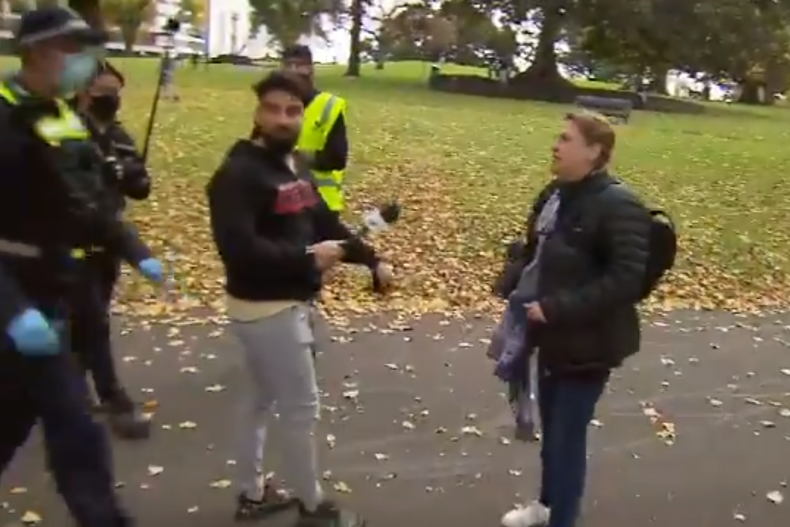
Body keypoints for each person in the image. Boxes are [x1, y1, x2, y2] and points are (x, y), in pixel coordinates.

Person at [0, 6, 164, 526]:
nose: (84, 65)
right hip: (13, 298)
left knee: (27, 418)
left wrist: (137, 252)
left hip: (55, 293)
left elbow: (89, 204)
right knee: (73, 424)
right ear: (41, 52)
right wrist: (11, 308)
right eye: (74, 51)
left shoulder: (66, 118)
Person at [207, 71, 382, 526]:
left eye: (293, 110)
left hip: (289, 303)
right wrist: (307, 261)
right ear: (257, 114)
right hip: (266, 307)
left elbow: (324, 223)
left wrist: (371, 259)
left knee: (261, 400)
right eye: (274, 109)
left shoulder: (296, 165)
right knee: (301, 407)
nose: (284, 119)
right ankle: (312, 506)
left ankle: (251, 493)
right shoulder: (238, 175)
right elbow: (240, 252)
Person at [499, 112, 651, 527]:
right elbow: (539, 253)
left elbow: (625, 280)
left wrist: (556, 307)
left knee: (567, 437)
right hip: (550, 336)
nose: (556, 145)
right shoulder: (557, 195)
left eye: (566, 139)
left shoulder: (618, 205)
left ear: (595, 151)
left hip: (590, 343)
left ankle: (562, 519)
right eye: (558, 136)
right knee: (554, 433)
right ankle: (547, 507)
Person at [71, 60, 152, 440]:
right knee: (92, 320)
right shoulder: (69, 132)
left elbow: (139, 186)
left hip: (110, 241)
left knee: (92, 317)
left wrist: (134, 174)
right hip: (73, 241)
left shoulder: (119, 136)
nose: (110, 99)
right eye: (103, 91)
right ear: (83, 91)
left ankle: (69, 390)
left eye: (115, 92)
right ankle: (112, 396)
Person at [280, 44, 392, 290]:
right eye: (288, 68)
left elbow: (338, 158)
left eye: (300, 67)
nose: (295, 73)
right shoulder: (280, 107)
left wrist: (304, 159)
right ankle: (374, 264)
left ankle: (376, 265)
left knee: (330, 245)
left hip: (321, 197)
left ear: (311, 70)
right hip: (285, 193)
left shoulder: (329, 106)